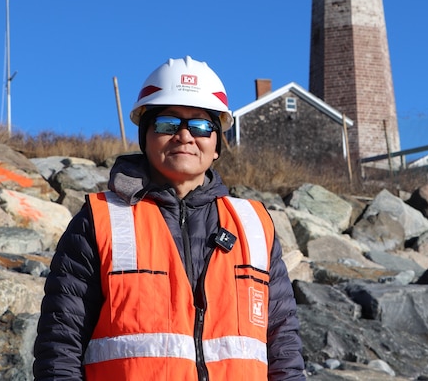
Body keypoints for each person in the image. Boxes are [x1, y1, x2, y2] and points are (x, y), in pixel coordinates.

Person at [33, 56, 306, 380]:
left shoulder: (255, 226)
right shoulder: (100, 220)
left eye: (202, 125)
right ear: (145, 136)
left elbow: (283, 349)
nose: (185, 136)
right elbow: (60, 346)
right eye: (167, 124)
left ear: (217, 143)